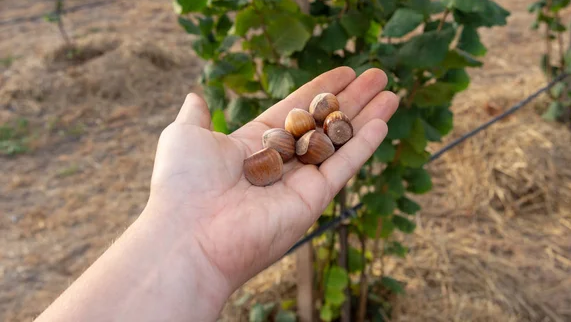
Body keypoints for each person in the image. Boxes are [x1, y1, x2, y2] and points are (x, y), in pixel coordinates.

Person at [35, 67, 399, 322]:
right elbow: (297, 142)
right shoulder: (291, 143)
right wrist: (184, 232)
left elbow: (302, 141)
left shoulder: (302, 138)